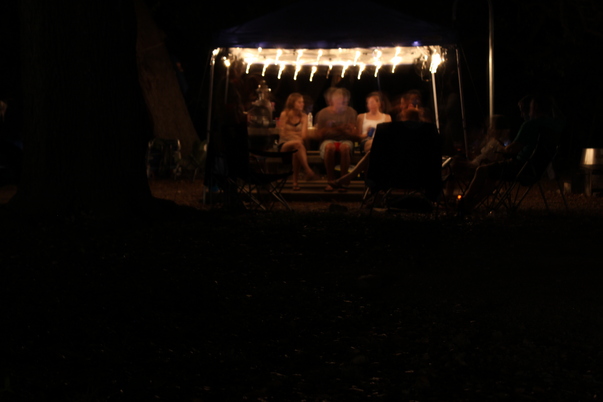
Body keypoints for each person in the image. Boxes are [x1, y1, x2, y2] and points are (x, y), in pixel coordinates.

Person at [458, 94, 564, 214]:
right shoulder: (556, 125)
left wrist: (500, 147)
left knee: (481, 170)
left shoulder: (530, 125)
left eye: (531, 105)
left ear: (535, 107)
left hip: (521, 168)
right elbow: (560, 119)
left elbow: (512, 149)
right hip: (538, 169)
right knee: (492, 174)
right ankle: (471, 205)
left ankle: (465, 201)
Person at [329, 107, 420, 190]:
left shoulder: (404, 133)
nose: (400, 119)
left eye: (402, 117)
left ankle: (351, 180)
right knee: (373, 153)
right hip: (409, 169)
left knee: (373, 153)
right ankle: (352, 180)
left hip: (400, 169)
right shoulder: (419, 134)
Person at [315, 88, 358, 191]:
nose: (343, 104)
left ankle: (343, 181)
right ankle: (331, 181)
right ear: (332, 101)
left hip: (346, 139)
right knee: (329, 147)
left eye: (345, 101)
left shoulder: (351, 112)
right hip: (328, 140)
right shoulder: (323, 113)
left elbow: (354, 134)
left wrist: (348, 130)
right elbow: (318, 135)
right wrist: (332, 128)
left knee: (345, 147)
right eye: (340, 101)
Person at [277, 93, 317, 190]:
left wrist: (291, 133)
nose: (302, 104)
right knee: (298, 144)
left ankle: (295, 183)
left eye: (302, 102)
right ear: (292, 103)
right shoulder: (284, 114)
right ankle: (308, 170)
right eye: (299, 102)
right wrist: (296, 135)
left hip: (298, 146)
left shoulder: (304, 117)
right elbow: (283, 133)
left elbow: (303, 135)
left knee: (297, 148)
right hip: (284, 145)